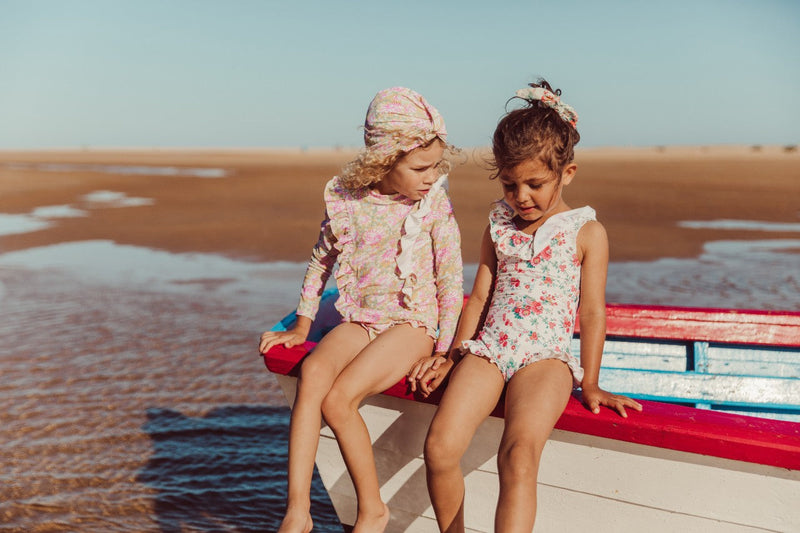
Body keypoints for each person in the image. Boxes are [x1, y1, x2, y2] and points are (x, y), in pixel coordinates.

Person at [408, 79, 643, 533]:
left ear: (566, 173)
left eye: (535, 184)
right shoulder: (498, 222)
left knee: (517, 455)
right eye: (511, 184)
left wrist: (590, 382)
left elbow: (592, 313)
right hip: (491, 350)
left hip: (545, 359)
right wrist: (453, 352)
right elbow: (478, 297)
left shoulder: (586, 232)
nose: (521, 197)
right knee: (439, 447)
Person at [259, 86, 463, 533]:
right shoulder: (348, 200)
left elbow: (450, 282)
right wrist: (302, 323)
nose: (431, 177)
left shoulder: (431, 206)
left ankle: (372, 510)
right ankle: (297, 511)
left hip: (412, 323)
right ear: (384, 160)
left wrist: (444, 351)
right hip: (362, 319)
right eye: (420, 168)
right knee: (311, 373)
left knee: (339, 399)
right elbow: (321, 260)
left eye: (435, 167)